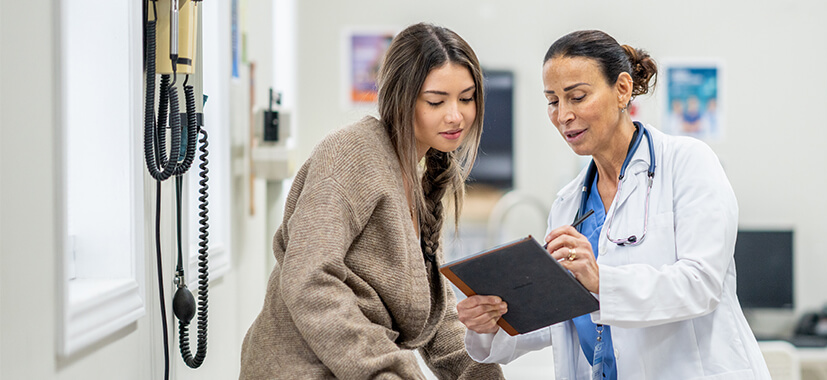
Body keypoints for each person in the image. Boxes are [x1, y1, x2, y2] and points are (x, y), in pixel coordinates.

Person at [456, 30, 771, 379]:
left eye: (577, 96)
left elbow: (701, 284)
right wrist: (492, 320)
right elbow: (562, 318)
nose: (564, 115)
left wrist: (601, 280)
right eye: (553, 101)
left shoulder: (688, 164)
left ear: (622, 89)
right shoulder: (568, 204)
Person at [240, 23, 504, 380]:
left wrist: (482, 374)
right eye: (436, 101)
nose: (455, 115)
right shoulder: (352, 154)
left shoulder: (419, 179)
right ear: (401, 98)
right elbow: (308, 278)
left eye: (467, 98)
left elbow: (437, 317)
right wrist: (386, 371)